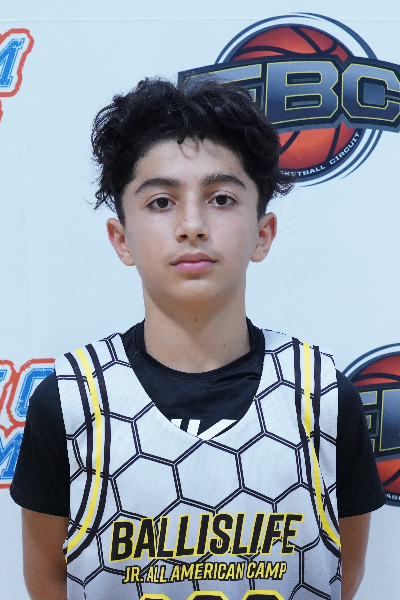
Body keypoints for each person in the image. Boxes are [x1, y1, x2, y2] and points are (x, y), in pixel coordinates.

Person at [11, 78, 385, 600]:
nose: (192, 225)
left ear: (263, 233)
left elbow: (343, 575)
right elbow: (49, 581)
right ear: (121, 238)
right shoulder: (70, 403)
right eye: (161, 201)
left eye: (222, 198)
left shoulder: (322, 397)